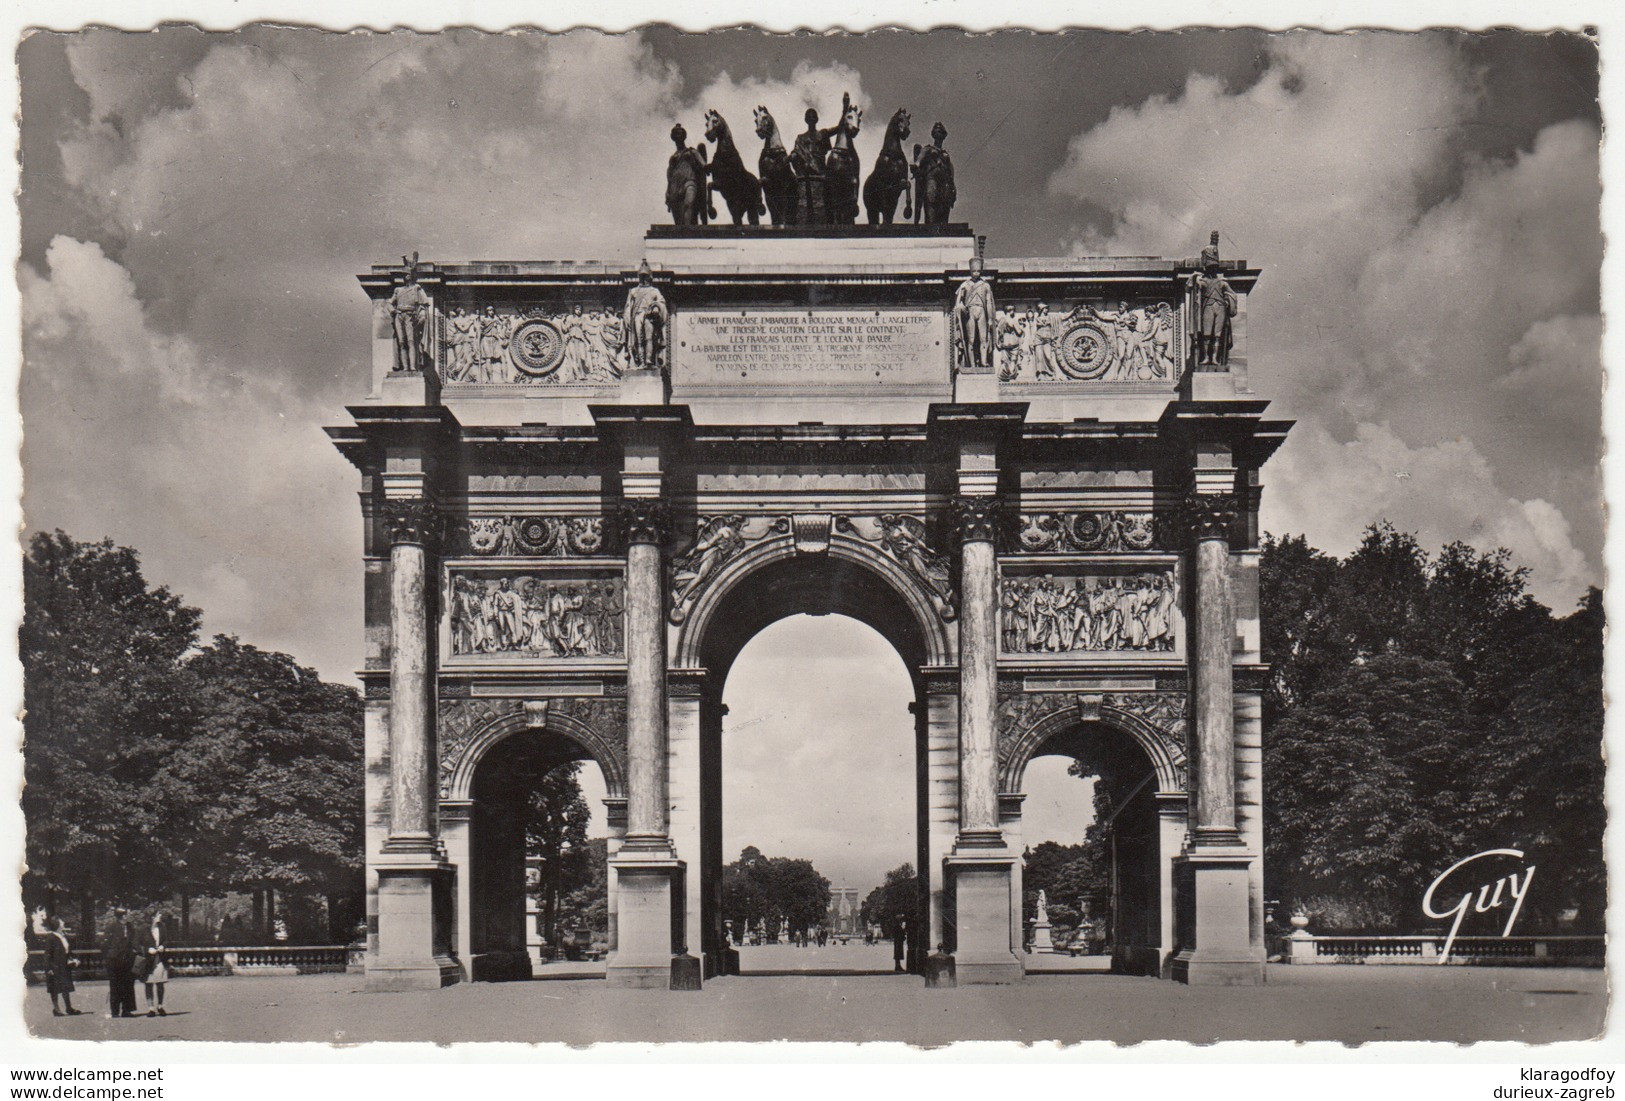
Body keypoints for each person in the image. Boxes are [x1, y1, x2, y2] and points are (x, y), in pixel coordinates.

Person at [42, 916, 84, 1017]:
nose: (63, 923)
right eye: (61, 922)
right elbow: (47, 954)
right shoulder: (51, 937)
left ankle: (69, 1008)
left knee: (65, 987)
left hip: (64, 966)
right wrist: (48, 968)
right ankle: (56, 1009)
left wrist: (74, 959)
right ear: (57, 925)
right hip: (55, 967)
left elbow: (67, 950)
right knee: (54, 988)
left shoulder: (62, 935)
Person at [103, 907, 139, 1018]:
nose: (129, 916)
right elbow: (104, 944)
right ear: (122, 916)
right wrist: (110, 956)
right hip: (115, 961)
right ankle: (115, 1011)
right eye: (127, 914)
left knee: (128, 985)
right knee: (115, 985)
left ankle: (126, 1010)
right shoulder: (112, 927)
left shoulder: (130, 927)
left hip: (128, 960)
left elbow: (134, 941)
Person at [141, 913, 170, 1017]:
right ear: (152, 917)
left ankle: (160, 1006)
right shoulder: (143, 929)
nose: (160, 917)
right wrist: (147, 950)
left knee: (160, 983)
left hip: (160, 958)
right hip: (148, 960)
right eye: (158, 915)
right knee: (148, 983)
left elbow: (166, 940)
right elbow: (136, 943)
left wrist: (163, 946)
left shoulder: (162, 928)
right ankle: (151, 1008)